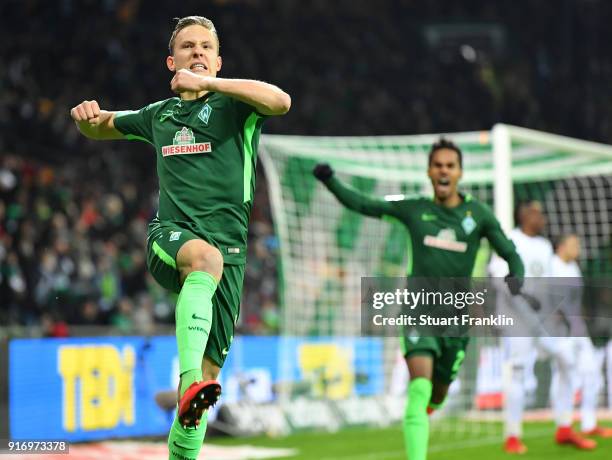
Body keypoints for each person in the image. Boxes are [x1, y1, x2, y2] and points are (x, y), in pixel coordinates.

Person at [70, 15, 290, 460]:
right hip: (171, 239)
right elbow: (102, 126)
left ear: (218, 60)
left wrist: (218, 86)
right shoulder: (159, 115)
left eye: (206, 47)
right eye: (188, 47)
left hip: (230, 256)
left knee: (196, 412)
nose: (197, 52)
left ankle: (187, 414)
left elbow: (281, 101)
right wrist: (85, 119)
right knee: (204, 262)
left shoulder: (237, 106)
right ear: (172, 61)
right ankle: (192, 382)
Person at [313, 138, 524, 460]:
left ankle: (430, 407)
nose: (443, 171)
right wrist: (330, 181)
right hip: (418, 312)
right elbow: (364, 204)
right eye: (438, 165)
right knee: (419, 387)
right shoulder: (414, 209)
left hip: (457, 320)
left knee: (437, 394)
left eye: (450, 166)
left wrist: (516, 273)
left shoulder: (478, 214)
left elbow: (508, 250)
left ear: (459, 173)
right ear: (429, 171)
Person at [489, 203, 596, 454]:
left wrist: (555, 312)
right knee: (517, 372)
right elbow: (501, 280)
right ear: (523, 214)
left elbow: (548, 286)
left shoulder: (545, 246)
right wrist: (526, 300)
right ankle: (513, 436)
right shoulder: (509, 240)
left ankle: (564, 428)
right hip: (516, 321)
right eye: (536, 212)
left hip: (542, 321)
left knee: (567, 360)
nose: (542, 216)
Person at [551, 234, 612, 439]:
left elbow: (577, 301)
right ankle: (563, 424)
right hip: (559, 332)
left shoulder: (573, 268)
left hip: (578, 329)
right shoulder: (551, 266)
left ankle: (589, 424)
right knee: (563, 375)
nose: (577, 248)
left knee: (592, 373)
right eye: (573, 245)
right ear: (561, 247)